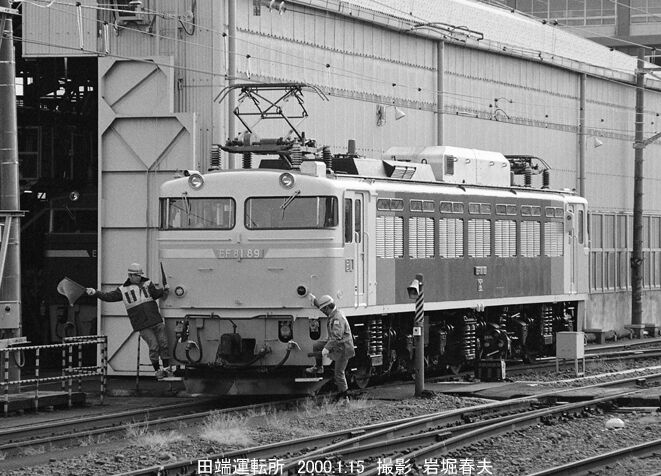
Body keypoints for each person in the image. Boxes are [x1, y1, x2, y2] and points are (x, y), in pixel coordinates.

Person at [86, 263, 172, 380]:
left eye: (140, 275)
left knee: (164, 344)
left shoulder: (148, 283)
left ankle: (166, 369)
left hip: (156, 321)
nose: (139, 277)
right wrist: (95, 292)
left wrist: (163, 290)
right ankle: (158, 370)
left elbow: (156, 294)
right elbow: (108, 296)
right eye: (137, 275)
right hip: (143, 325)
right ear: (130, 275)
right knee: (154, 346)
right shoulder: (122, 290)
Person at [305, 294, 355, 401]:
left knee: (339, 373)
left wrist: (326, 349)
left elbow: (336, 337)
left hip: (343, 349)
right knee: (317, 346)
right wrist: (314, 300)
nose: (323, 311)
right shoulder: (333, 312)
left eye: (324, 309)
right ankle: (319, 367)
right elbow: (322, 307)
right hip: (336, 344)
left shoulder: (337, 318)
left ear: (328, 307)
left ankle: (345, 397)